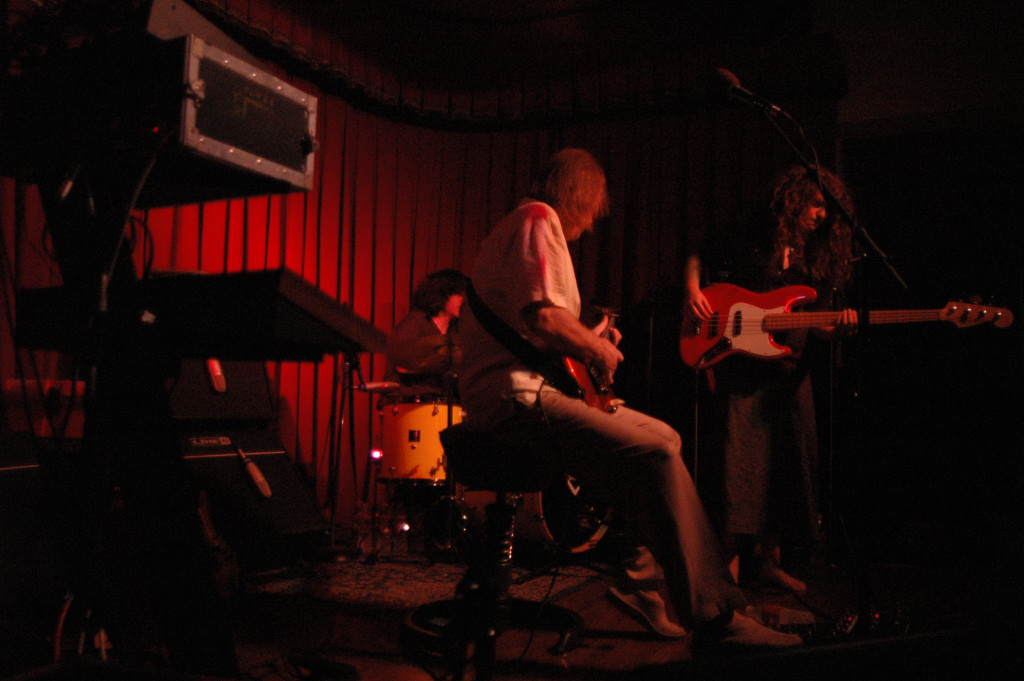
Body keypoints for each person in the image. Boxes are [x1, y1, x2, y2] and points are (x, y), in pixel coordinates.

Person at [458, 148, 802, 650]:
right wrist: (596, 347)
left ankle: (640, 579)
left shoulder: (521, 225)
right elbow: (543, 317)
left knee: (666, 438)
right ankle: (715, 619)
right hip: (516, 400)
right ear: (579, 195)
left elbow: (535, 327)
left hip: (527, 391)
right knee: (654, 452)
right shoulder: (538, 219)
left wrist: (589, 339)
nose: (591, 226)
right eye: (592, 211)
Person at [684, 165, 859, 594]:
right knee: (739, 470)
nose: (822, 215)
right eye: (816, 204)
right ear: (794, 199)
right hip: (743, 369)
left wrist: (835, 329)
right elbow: (699, 252)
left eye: (827, 209)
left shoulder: (818, 257)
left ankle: (768, 563)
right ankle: (725, 568)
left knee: (786, 467)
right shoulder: (755, 236)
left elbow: (815, 325)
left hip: (789, 373)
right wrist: (692, 291)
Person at [383, 268, 469, 404]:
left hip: (444, 404)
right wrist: (441, 362)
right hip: (408, 403)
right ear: (443, 294)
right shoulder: (415, 323)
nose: (463, 299)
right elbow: (402, 363)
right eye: (458, 294)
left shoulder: (455, 332)